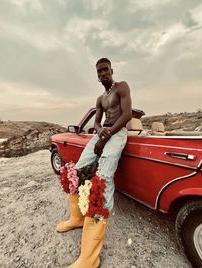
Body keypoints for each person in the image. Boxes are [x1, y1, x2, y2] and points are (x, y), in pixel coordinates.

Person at [57, 58, 132, 268]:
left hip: (117, 133)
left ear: (111, 70)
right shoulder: (100, 98)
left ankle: (90, 259)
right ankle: (77, 218)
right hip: (103, 134)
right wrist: (99, 134)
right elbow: (97, 122)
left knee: (103, 179)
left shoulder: (122, 87)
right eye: (99, 72)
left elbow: (126, 115)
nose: (102, 74)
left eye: (105, 70)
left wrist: (106, 136)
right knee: (76, 171)